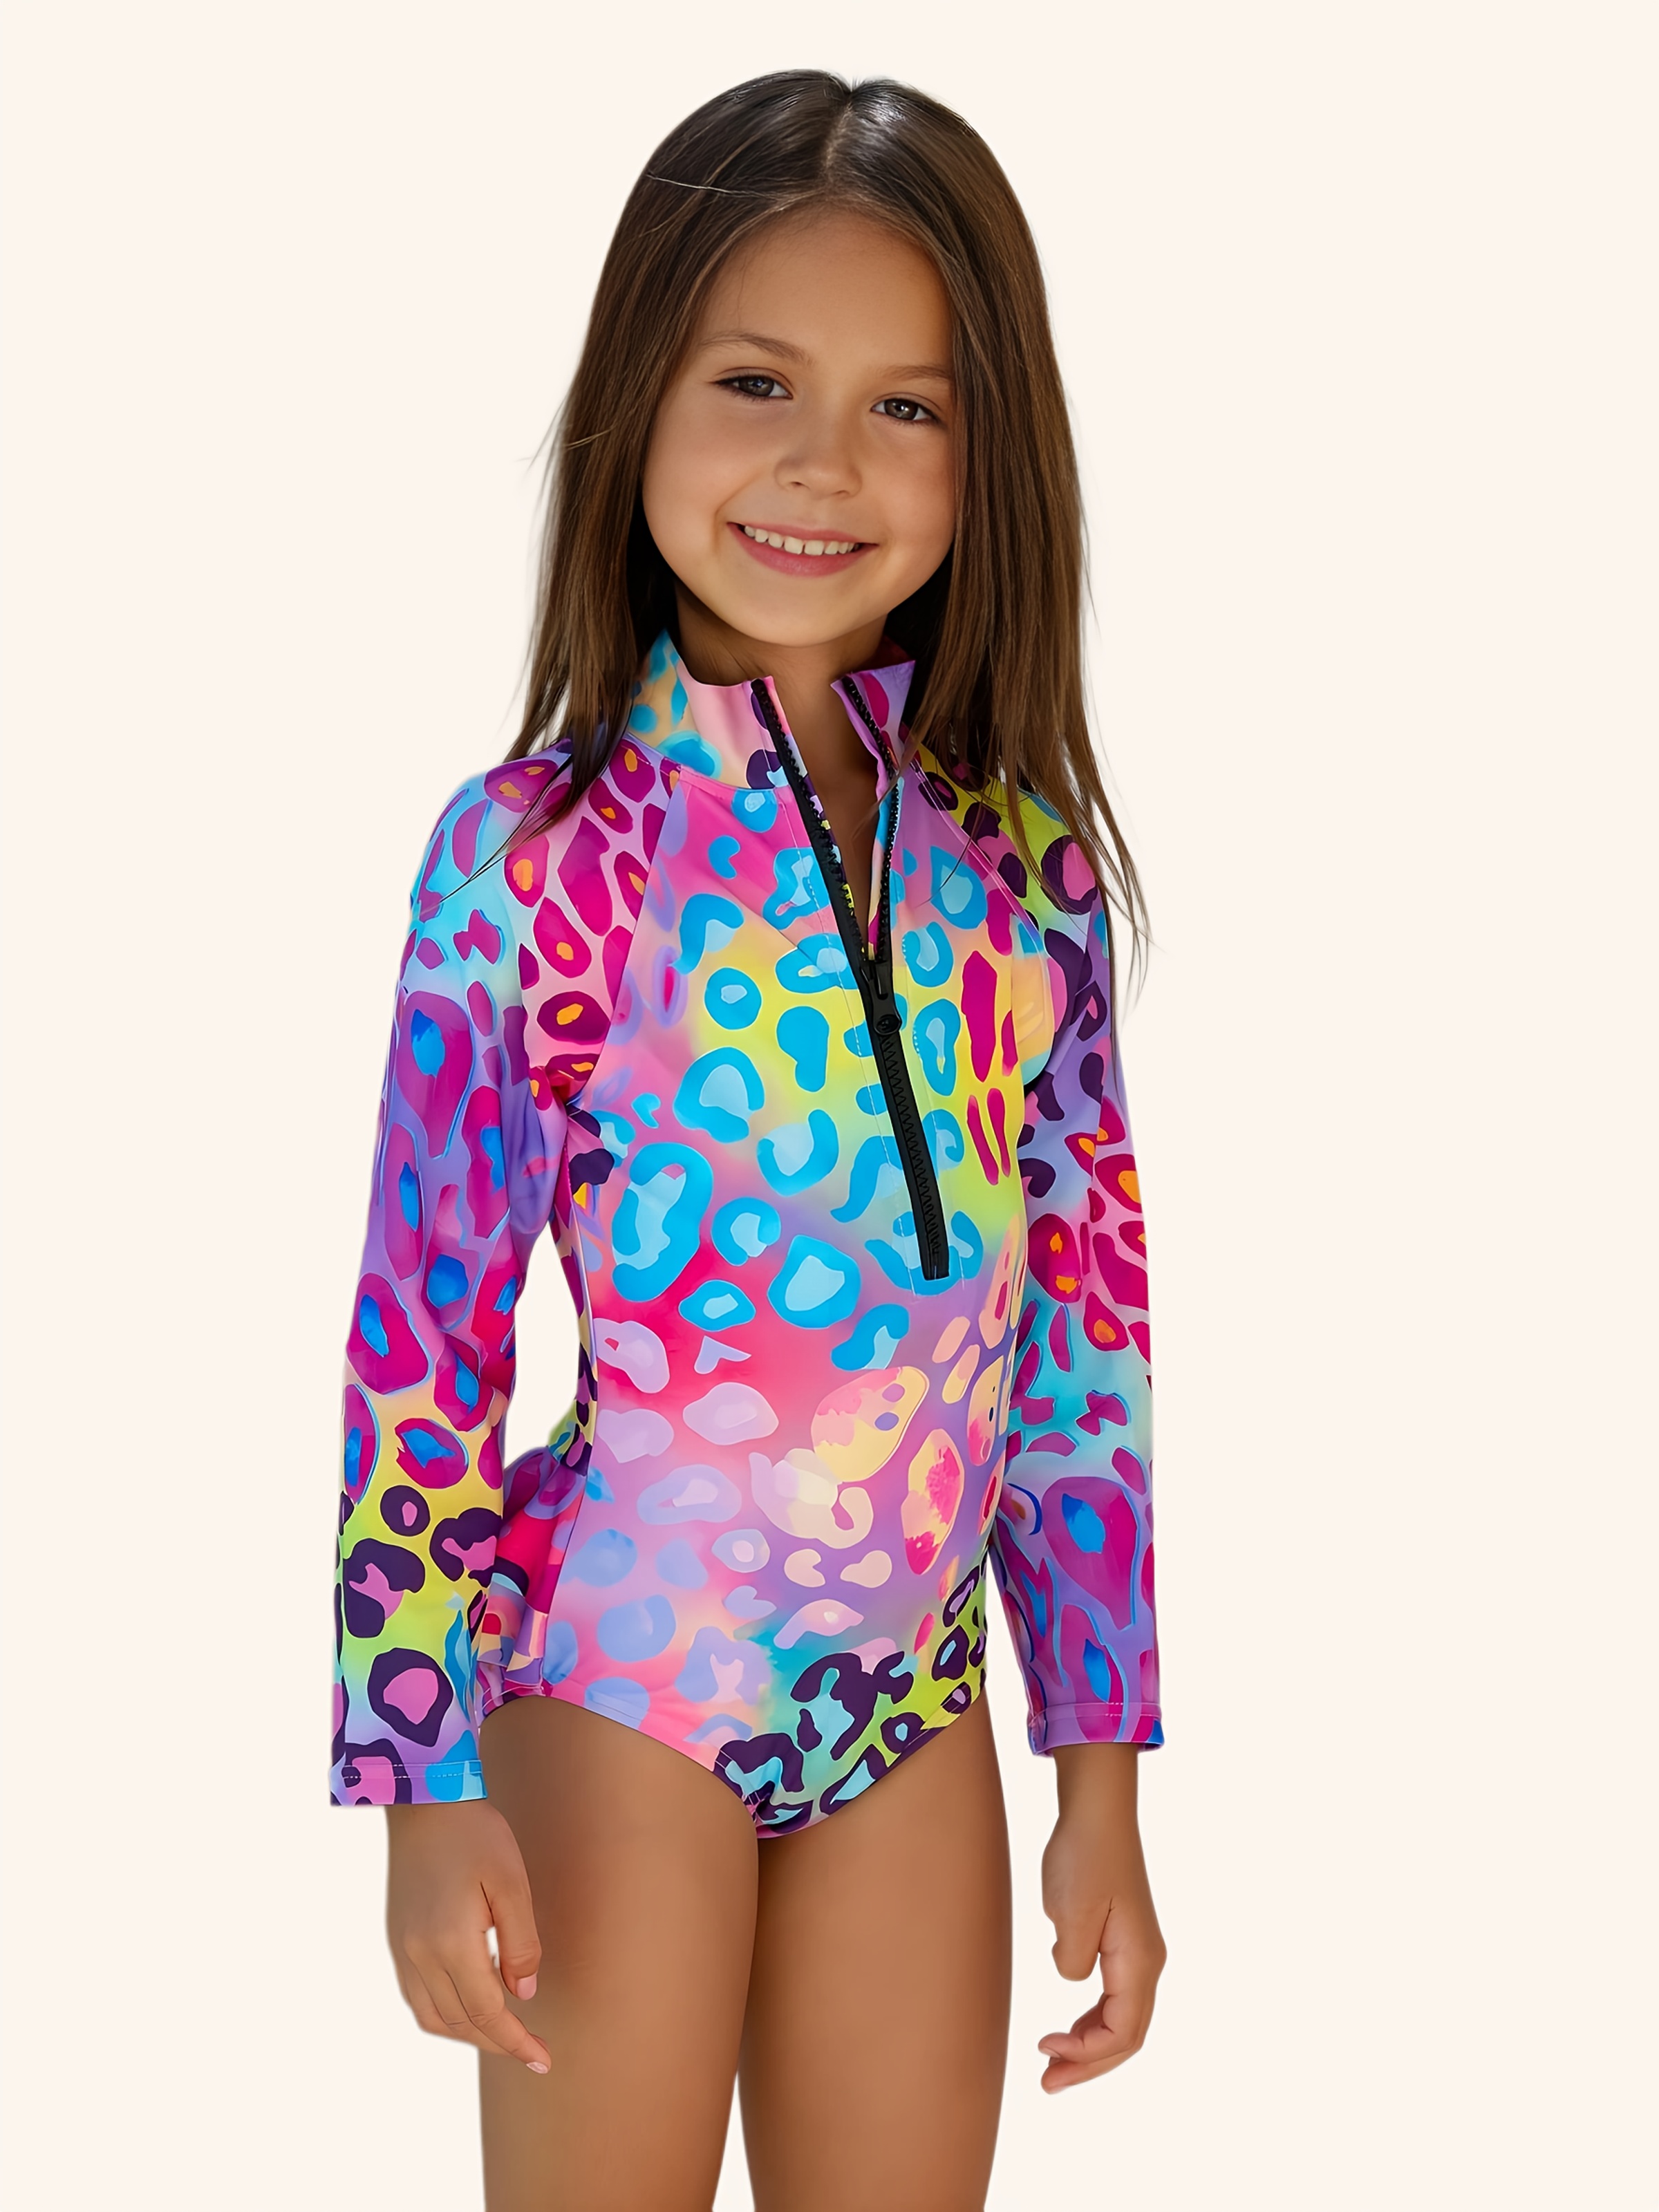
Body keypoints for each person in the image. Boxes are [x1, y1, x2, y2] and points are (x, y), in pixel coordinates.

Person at [333, 70, 1165, 2212]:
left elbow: (1084, 1343)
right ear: (637, 401)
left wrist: (1102, 1765)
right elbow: (425, 1338)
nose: (824, 464)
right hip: (626, 1686)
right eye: (758, 382)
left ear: (994, 454)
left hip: (917, 1710)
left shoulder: (1024, 869)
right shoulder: (534, 862)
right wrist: (417, 1771)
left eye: (910, 408)